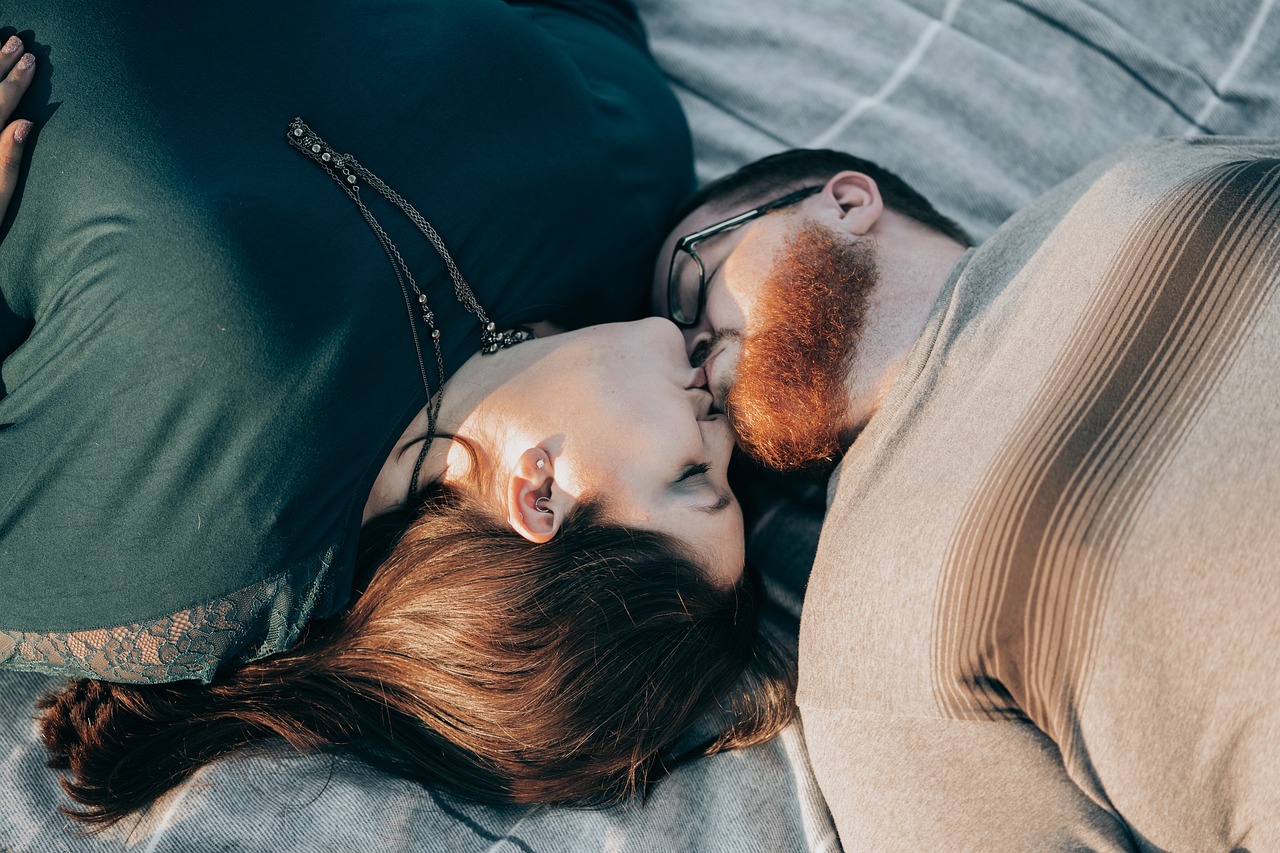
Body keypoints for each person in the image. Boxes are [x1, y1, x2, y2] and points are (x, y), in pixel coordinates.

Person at [0, 2, 794, 828]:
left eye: (697, 476)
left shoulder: (220, 534)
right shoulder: (629, 185)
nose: (726, 428)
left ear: (541, 497)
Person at [652, 140, 1280, 849]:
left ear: (848, 202)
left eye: (691, 283)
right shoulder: (863, 629)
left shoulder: (1149, 177)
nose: (691, 349)